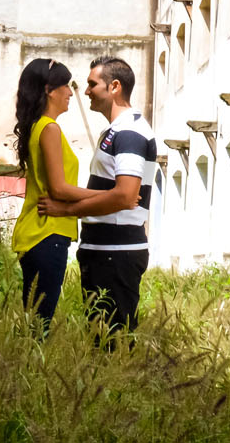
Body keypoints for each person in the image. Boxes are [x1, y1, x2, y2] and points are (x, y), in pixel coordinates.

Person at [38, 55, 155, 337]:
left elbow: (125, 195)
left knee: (114, 343)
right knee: (100, 341)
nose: (86, 91)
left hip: (117, 254)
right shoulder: (114, 131)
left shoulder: (129, 132)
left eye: (92, 84)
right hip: (103, 252)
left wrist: (65, 210)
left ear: (114, 87)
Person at [9, 58, 91, 333]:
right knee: (39, 328)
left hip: (39, 234)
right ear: (48, 90)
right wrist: (110, 195)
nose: (70, 92)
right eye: (65, 85)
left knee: (34, 325)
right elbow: (59, 189)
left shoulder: (39, 126)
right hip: (47, 233)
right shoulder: (49, 129)